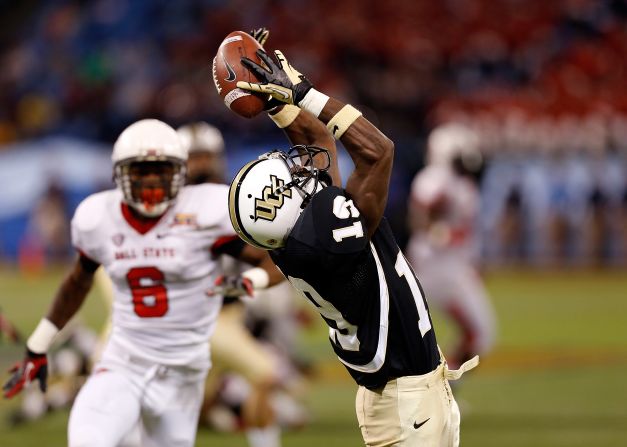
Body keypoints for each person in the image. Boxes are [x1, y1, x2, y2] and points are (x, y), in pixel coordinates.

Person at [225, 46, 479, 446]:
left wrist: (277, 103)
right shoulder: (325, 240)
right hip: (405, 406)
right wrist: (305, 93)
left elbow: (318, 142)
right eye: (289, 177)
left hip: (405, 395)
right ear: (283, 202)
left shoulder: (299, 237)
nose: (298, 170)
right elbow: (379, 152)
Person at [3, 118, 283, 447]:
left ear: (180, 172)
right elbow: (77, 282)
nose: (151, 180)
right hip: (123, 362)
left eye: (161, 170)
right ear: (120, 174)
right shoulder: (98, 217)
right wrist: (38, 344)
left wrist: (250, 281)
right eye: (141, 171)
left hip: (183, 372)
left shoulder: (207, 209)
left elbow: (274, 259)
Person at [177, 120, 286, 447]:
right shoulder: (175, 209)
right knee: (264, 374)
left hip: (230, 313)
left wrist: (247, 280)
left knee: (189, 410)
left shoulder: (233, 198)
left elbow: (268, 255)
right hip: (196, 318)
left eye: (205, 156)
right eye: (193, 157)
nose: (200, 164)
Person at [406, 123, 497, 369]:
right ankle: (443, 390)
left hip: (455, 266)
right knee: (479, 335)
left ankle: (444, 390)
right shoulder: (436, 179)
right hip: (440, 267)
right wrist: (439, 233)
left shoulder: (462, 183)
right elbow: (421, 218)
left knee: (480, 336)